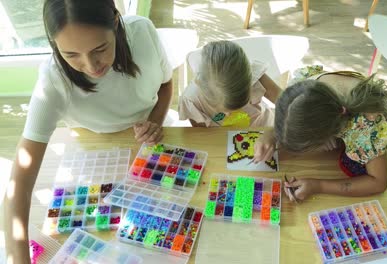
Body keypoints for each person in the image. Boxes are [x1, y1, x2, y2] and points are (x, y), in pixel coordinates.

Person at [4, 0, 173, 262]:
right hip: (95, 150)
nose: (92, 65)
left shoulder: (142, 31)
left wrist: (155, 121)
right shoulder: (53, 80)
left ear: (116, 23)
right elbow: (19, 183)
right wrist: (18, 258)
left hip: (151, 136)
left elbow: (166, 86)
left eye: (100, 48)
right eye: (71, 54)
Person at [253, 68, 387, 202]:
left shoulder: (366, 131)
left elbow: (378, 182)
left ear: (327, 136)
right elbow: (291, 116)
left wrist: (318, 186)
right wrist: (273, 133)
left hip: (377, 130)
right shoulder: (305, 93)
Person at [178, 40, 282, 127]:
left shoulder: (252, 73)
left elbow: (284, 102)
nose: (228, 115)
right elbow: (202, 135)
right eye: (224, 111)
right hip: (223, 141)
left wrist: (272, 134)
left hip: (266, 127)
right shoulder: (192, 101)